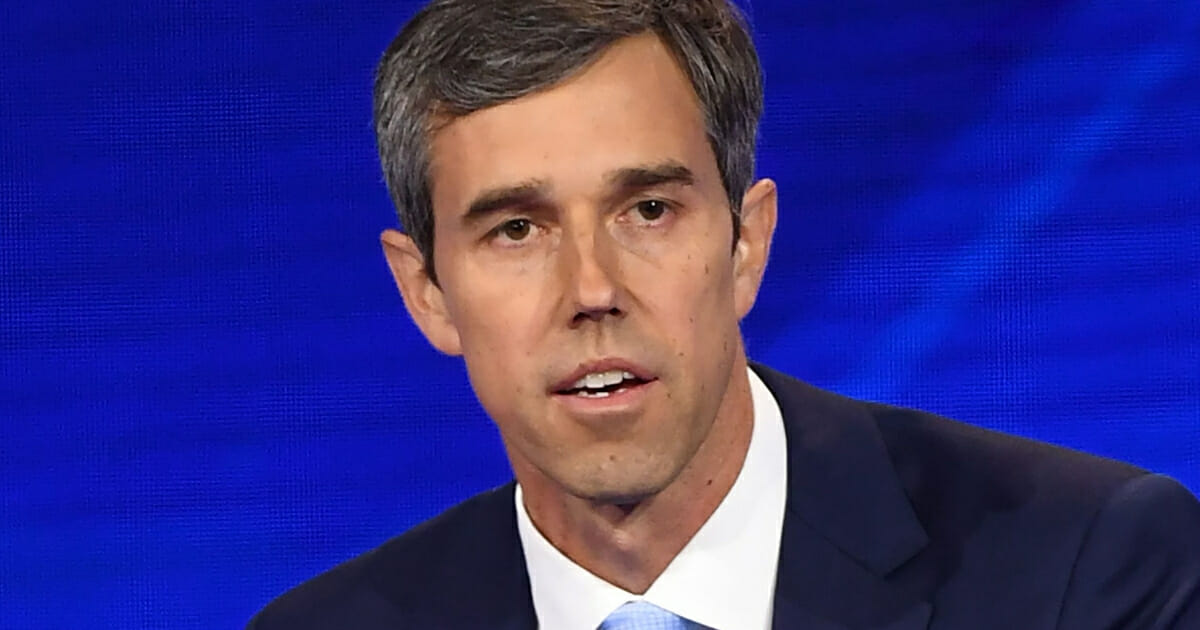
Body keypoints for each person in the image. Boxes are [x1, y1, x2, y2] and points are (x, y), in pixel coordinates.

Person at [248, 1, 1200, 628]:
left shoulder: (1085, 571)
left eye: (648, 211)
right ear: (427, 292)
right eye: (515, 230)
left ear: (747, 242)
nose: (591, 289)